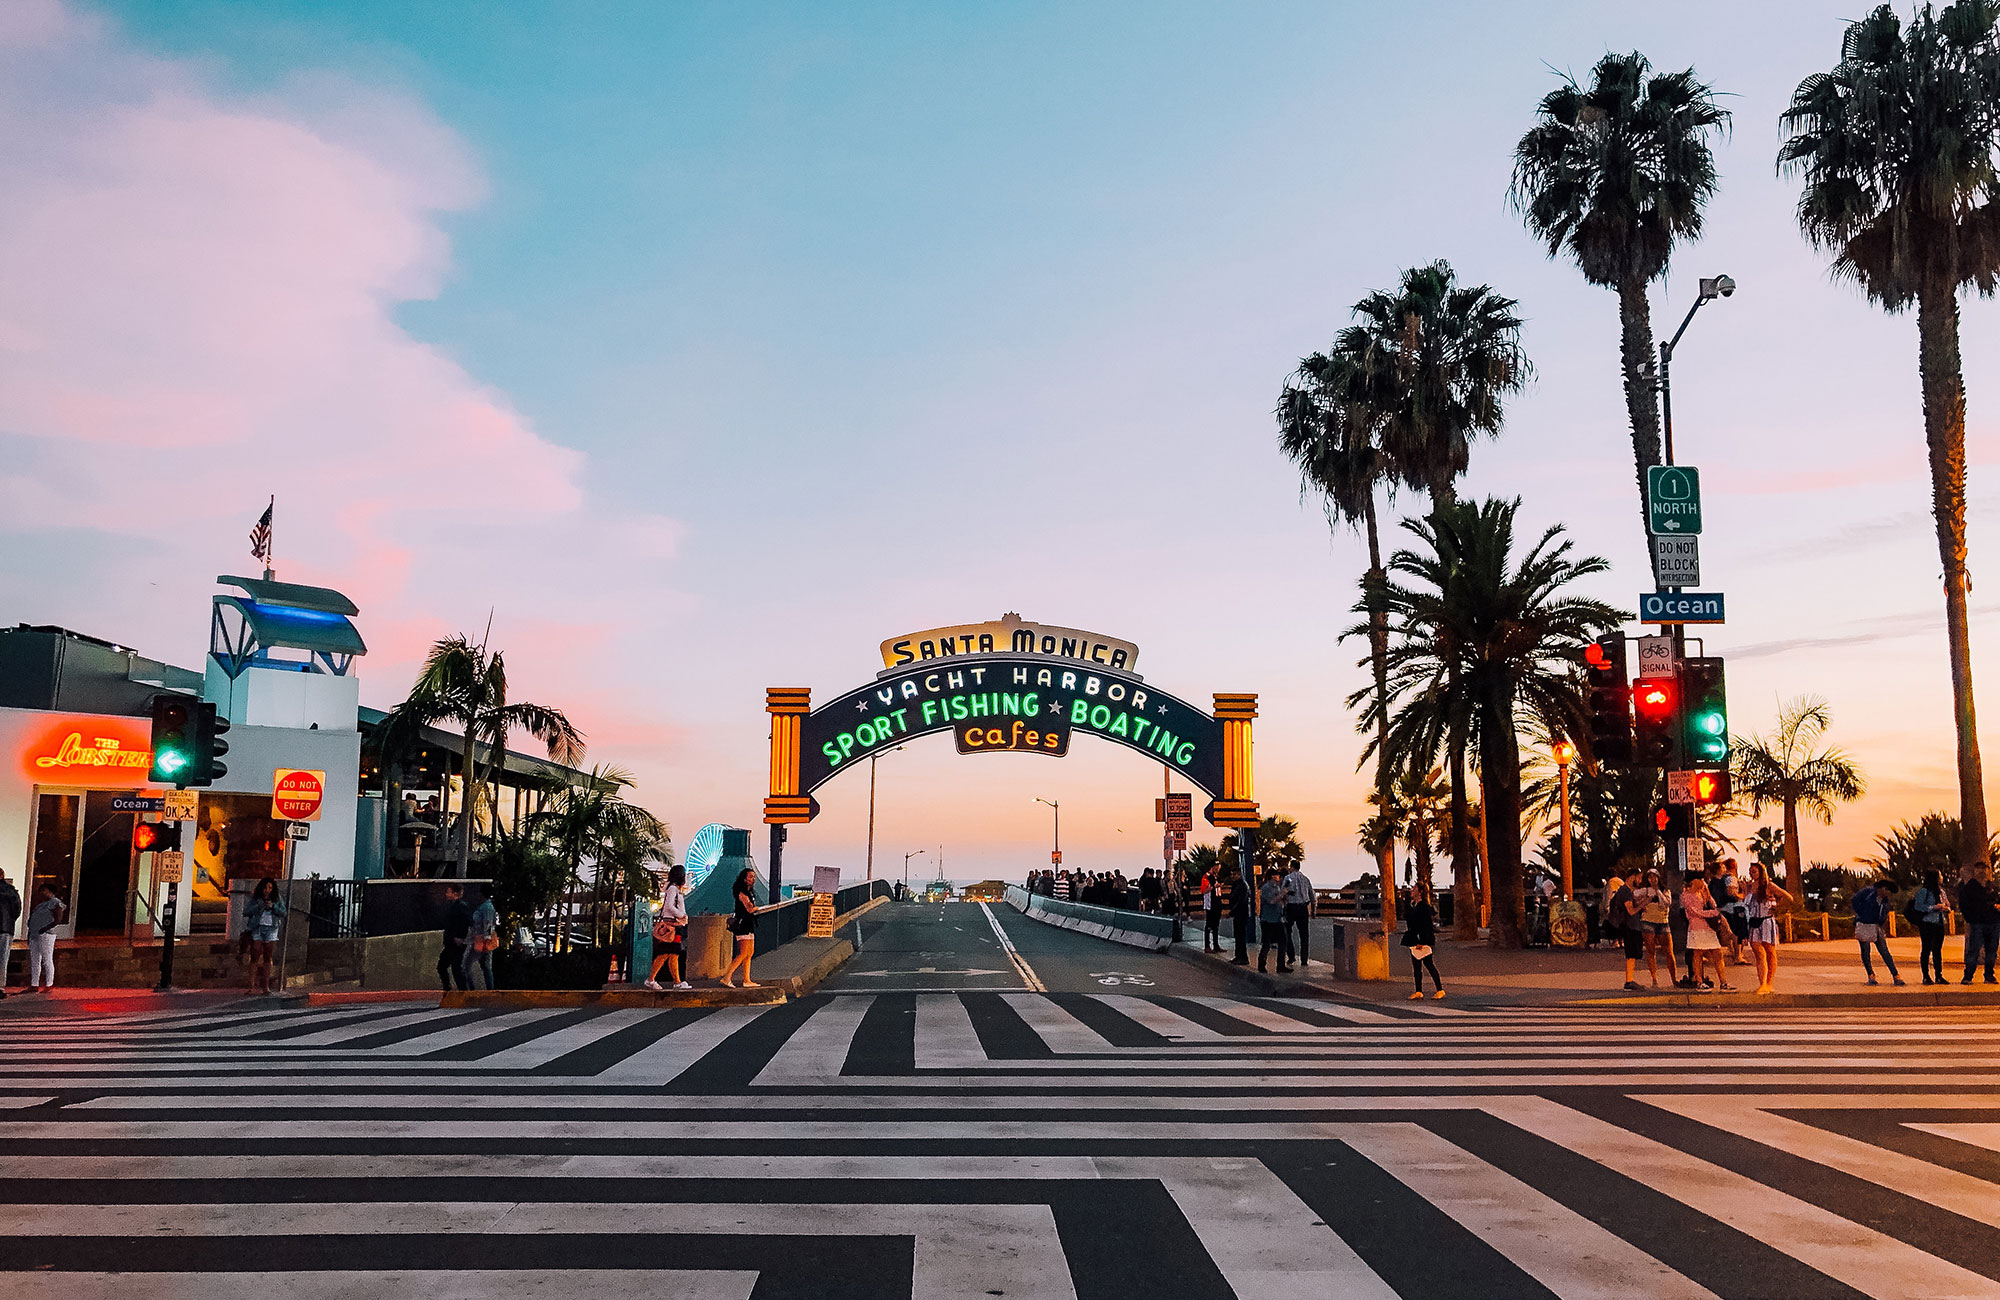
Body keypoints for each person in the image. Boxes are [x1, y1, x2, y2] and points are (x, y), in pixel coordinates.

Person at [1744, 862, 1793, 995]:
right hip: (1754, 922)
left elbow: (1787, 896)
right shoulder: (1748, 886)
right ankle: (1762, 983)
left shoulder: (1768, 886)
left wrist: (1776, 906)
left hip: (1766, 921)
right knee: (1759, 954)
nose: (1752, 874)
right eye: (1750, 871)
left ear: (1760, 872)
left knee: (1770, 953)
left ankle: (1768, 983)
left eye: (1754, 871)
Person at [1849, 875, 1904, 986]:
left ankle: (1895, 975)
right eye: (1888, 891)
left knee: (1884, 951)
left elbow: (1884, 913)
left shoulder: (1884, 900)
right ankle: (1871, 975)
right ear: (1883, 888)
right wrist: (1862, 914)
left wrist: (1881, 922)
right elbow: (1854, 901)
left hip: (1876, 926)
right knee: (1865, 951)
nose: (1889, 894)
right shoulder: (1868, 893)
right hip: (1864, 924)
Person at [1680, 877, 1733, 992]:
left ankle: (1723, 981)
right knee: (1698, 953)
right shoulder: (1686, 895)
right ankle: (1699, 981)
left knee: (1717, 953)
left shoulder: (1702, 893)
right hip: (1696, 927)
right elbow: (1694, 911)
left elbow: (1713, 904)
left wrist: (1707, 892)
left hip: (1708, 927)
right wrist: (1711, 913)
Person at [644, 865, 692, 990]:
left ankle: (677, 981)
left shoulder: (675, 889)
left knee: (673, 954)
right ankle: (651, 979)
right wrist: (682, 915)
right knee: (665, 954)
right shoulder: (672, 889)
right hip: (671, 925)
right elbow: (669, 906)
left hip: (675, 925)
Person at [241, 878, 287, 995]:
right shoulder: (256, 899)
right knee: (255, 955)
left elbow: (283, 912)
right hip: (257, 927)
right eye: (265, 888)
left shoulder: (277, 899)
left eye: (270, 888)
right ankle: (251, 986)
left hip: (271, 928)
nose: (267, 890)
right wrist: (259, 907)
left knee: (268, 956)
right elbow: (246, 911)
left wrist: (273, 907)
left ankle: (265, 986)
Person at [1633, 868, 1675, 989]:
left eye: (1655, 877)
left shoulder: (1665, 891)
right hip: (1648, 921)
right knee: (1651, 951)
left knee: (1668, 951)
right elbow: (1635, 895)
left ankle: (1673, 978)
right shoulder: (1645, 890)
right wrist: (1644, 899)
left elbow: (1666, 903)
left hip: (1663, 921)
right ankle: (1654, 978)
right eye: (1650, 877)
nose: (1653, 880)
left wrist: (1658, 892)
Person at [1403, 878, 1444, 998]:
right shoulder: (1413, 906)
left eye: (1414, 889)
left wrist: (1423, 941)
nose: (1412, 890)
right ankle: (1418, 991)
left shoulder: (1424, 907)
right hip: (1413, 938)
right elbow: (1408, 920)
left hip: (1422, 940)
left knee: (1429, 964)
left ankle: (1440, 989)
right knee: (1416, 966)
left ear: (1420, 892)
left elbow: (1426, 925)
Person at [721, 866, 762, 988]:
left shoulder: (749, 892)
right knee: (743, 953)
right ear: (744, 879)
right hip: (743, 924)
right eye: (750, 876)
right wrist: (756, 908)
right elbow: (749, 908)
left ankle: (747, 979)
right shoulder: (741, 892)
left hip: (749, 924)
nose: (753, 879)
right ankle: (727, 977)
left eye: (754, 876)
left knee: (749, 953)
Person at [1959, 861, 1999, 985]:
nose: (1982, 871)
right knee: (1974, 950)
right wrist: (1971, 918)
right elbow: (1964, 905)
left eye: (1984, 869)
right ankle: (1968, 976)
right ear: (1974, 871)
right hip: (1978, 923)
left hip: (1994, 922)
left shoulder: (1992, 887)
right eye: (1979, 869)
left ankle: (1989, 975)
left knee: (1992, 950)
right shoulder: (1969, 887)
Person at [1608, 868, 1644, 990]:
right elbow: (1631, 910)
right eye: (1639, 878)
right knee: (1631, 953)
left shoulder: (1627, 891)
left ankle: (1630, 979)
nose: (1640, 881)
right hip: (1629, 925)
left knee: (1633, 953)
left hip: (1630, 925)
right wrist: (1643, 903)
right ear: (1632, 877)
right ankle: (1629, 981)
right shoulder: (1625, 892)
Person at [24, 884, 64, 993]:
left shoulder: (55, 903)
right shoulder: (40, 905)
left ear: (50, 891)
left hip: (46, 934)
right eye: (41, 891)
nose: (42, 893)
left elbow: (58, 919)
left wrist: (45, 928)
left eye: (44, 890)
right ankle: (34, 984)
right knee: (35, 960)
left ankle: (49, 984)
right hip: (34, 934)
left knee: (47, 959)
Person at [1913, 868, 1950, 985]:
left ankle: (1938, 975)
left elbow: (1947, 903)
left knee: (1937, 950)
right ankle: (1926, 975)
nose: (1941, 878)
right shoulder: (1924, 891)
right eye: (1939, 875)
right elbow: (1918, 907)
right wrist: (1933, 907)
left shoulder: (1941, 891)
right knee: (1926, 949)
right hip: (1927, 923)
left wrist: (1946, 908)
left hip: (1939, 923)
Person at [463, 882, 500, 991]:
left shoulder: (486, 907)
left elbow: (487, 924)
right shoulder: (484, 906)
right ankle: (489, 990)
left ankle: (473, 989)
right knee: (485, 967)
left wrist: (486, 941)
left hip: (482, 941)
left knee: (466, 966)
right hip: (480, 940)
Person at [437, 883, 471, 992]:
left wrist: (460, 937)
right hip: (450, 941)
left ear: (455, 893)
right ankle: (448, 988)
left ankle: (463, 992)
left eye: (449, 892)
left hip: (457, 942)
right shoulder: (451, 905)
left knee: (456, 968)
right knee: (442, 966)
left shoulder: (461, 906)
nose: (446, 894)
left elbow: (466, 922)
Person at [1256, 865, 1290, 974]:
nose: (1279, 878)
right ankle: (1261, 965)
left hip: (1278, 919)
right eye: (1277, 875)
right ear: (1272, 876)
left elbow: (1280, 901)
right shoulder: (1266, 888)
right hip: (1268, 919)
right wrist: (1282, 895)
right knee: (1267, 943)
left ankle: (1281, 965)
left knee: (1283, 941)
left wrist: (1284, 899)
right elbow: (1271, 901)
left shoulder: (1278, 887)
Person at [1282, 861, 1314, 967]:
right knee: (1304, 935)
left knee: (1287, 931)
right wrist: (1313, 911)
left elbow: (1283, 892)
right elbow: (1312, 895)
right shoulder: (1306, 879)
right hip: (1303, 907)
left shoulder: (1288, 878)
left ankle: (1291, 956)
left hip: (1291, 907)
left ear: (1291, 867)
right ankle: (1304, 960)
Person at [0, 870, 20, 999]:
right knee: (2, 959)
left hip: (4, 927)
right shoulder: (11, 891)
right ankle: (0, 987)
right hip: (5, 928)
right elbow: (17, 909)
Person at [1201, 869, 1222, 953]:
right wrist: (1213, 887)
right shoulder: (1206, 877)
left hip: (1217, 903)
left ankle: (1216, 945)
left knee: (1216, 925)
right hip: (1210, 904)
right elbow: (1204, 890)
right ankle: (1207, 945)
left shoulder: (1216, 877)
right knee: (1209, 924)